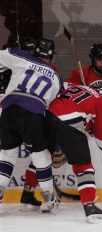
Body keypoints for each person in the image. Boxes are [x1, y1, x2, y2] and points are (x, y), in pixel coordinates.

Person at [19, 84, 102, 224]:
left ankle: (27, 194)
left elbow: (78, 107)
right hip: (67, 120)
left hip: (47, 115)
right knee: (83, 163)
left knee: (43, 156)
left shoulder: (80, 87)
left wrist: (90, 126)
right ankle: (90, 206)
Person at [0, 38, 63, 213]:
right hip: (33, 115)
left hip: (9, 112)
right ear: (52, 56)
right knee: (41, 157)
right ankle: (50, 199)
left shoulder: (21, 56)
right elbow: (50, 103)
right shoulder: (57, 78)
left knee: (7, 155)